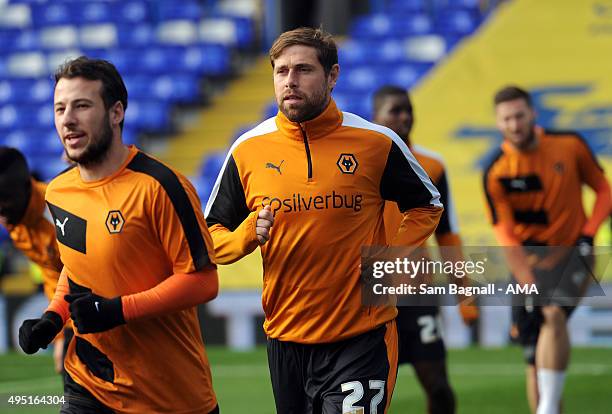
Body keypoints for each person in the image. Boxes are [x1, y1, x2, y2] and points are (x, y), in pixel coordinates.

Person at [205, 27, 443, 413]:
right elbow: (207, 239)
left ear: (333, 76)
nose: (290, 81)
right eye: (281, 71)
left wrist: (391, 254)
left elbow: (428, 204)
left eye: (303, 70)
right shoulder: (247, 150)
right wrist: (246, 235)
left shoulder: (375, 142)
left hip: (361, 335)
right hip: (286, 338)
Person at [18, 56, 220, 413]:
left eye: (82, 105)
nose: (67, 119)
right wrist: (53, 317)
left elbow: (202, 282)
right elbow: (78, 269)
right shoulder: (58, 192)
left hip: (171, 397)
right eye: (60, 108)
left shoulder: (161, 186)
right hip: (90, 383)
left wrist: (118, 310)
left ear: (116, 113)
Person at [483, 86, 611, 414]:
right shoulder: (495, 172)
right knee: (532, 356)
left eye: (519, 115)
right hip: (527, 263)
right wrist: (526, 280)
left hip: (574, 254)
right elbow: (507, 237)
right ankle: (549, 408)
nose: (514, 124)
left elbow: (603, 190)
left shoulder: (569, 145)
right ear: (498, 123)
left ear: (532, 114)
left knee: (552, 313)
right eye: (507, 118)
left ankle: (548, 409)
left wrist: (588, 233)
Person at [372, 85, 480, 414]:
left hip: (418, 296)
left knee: (440, 389)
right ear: (376, 117)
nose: (404, 117)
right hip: (371, 295)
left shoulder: (432, 165)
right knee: (370, 397)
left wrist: (464, 294)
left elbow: (446, 236)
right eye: (395, 110)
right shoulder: (359, 163)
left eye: (408, 110)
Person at [0, 147, 71, 377]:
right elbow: (52, 275)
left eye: (5, 198)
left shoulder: (60, 211)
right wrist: (60, 335)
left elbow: (93, 273)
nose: (0, 209)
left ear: (25, 187)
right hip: (71, 314)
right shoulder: (16, 224)